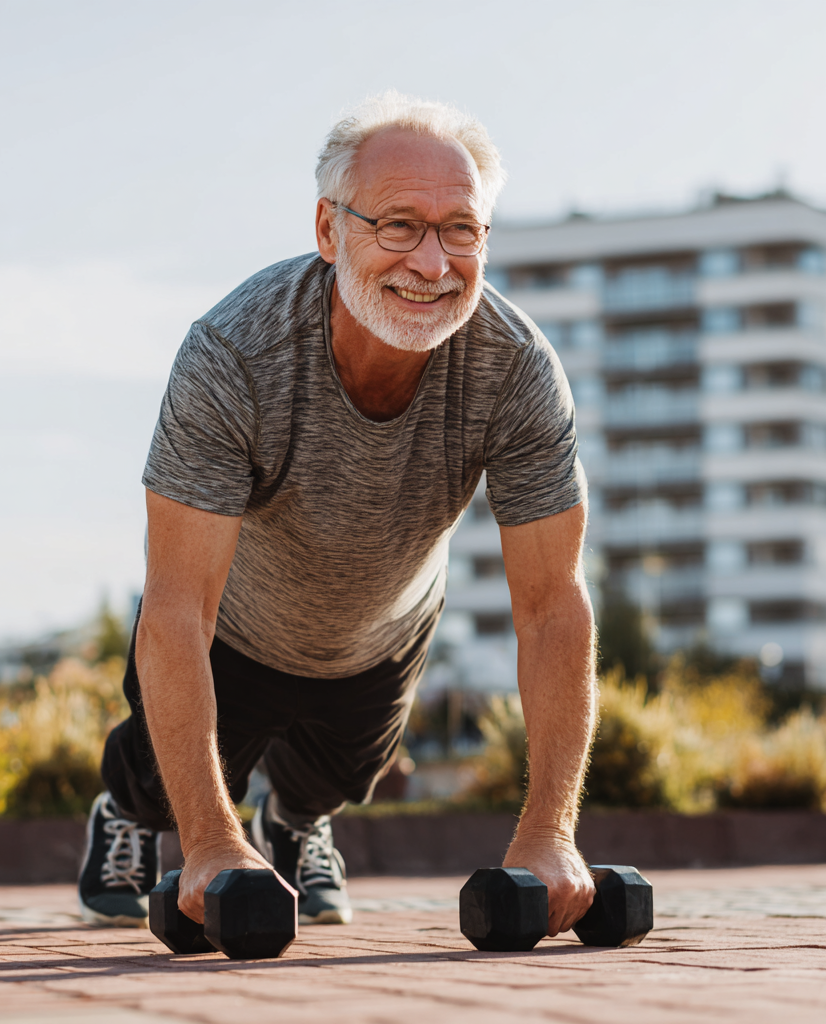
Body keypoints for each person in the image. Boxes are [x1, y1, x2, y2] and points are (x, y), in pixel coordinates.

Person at [78, 91, 598, 935]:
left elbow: (551, 608)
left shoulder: (518, 370)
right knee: (158, 779)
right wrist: (209, 843)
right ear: (329, 231)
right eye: (398, 225)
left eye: (460, 229)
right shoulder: (232, 354)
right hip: (234, 630)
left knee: (333, 780)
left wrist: (551, 836)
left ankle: (295, 826)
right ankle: (126, 818)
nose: (433, 263)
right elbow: (175, 607)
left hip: (380, 632)